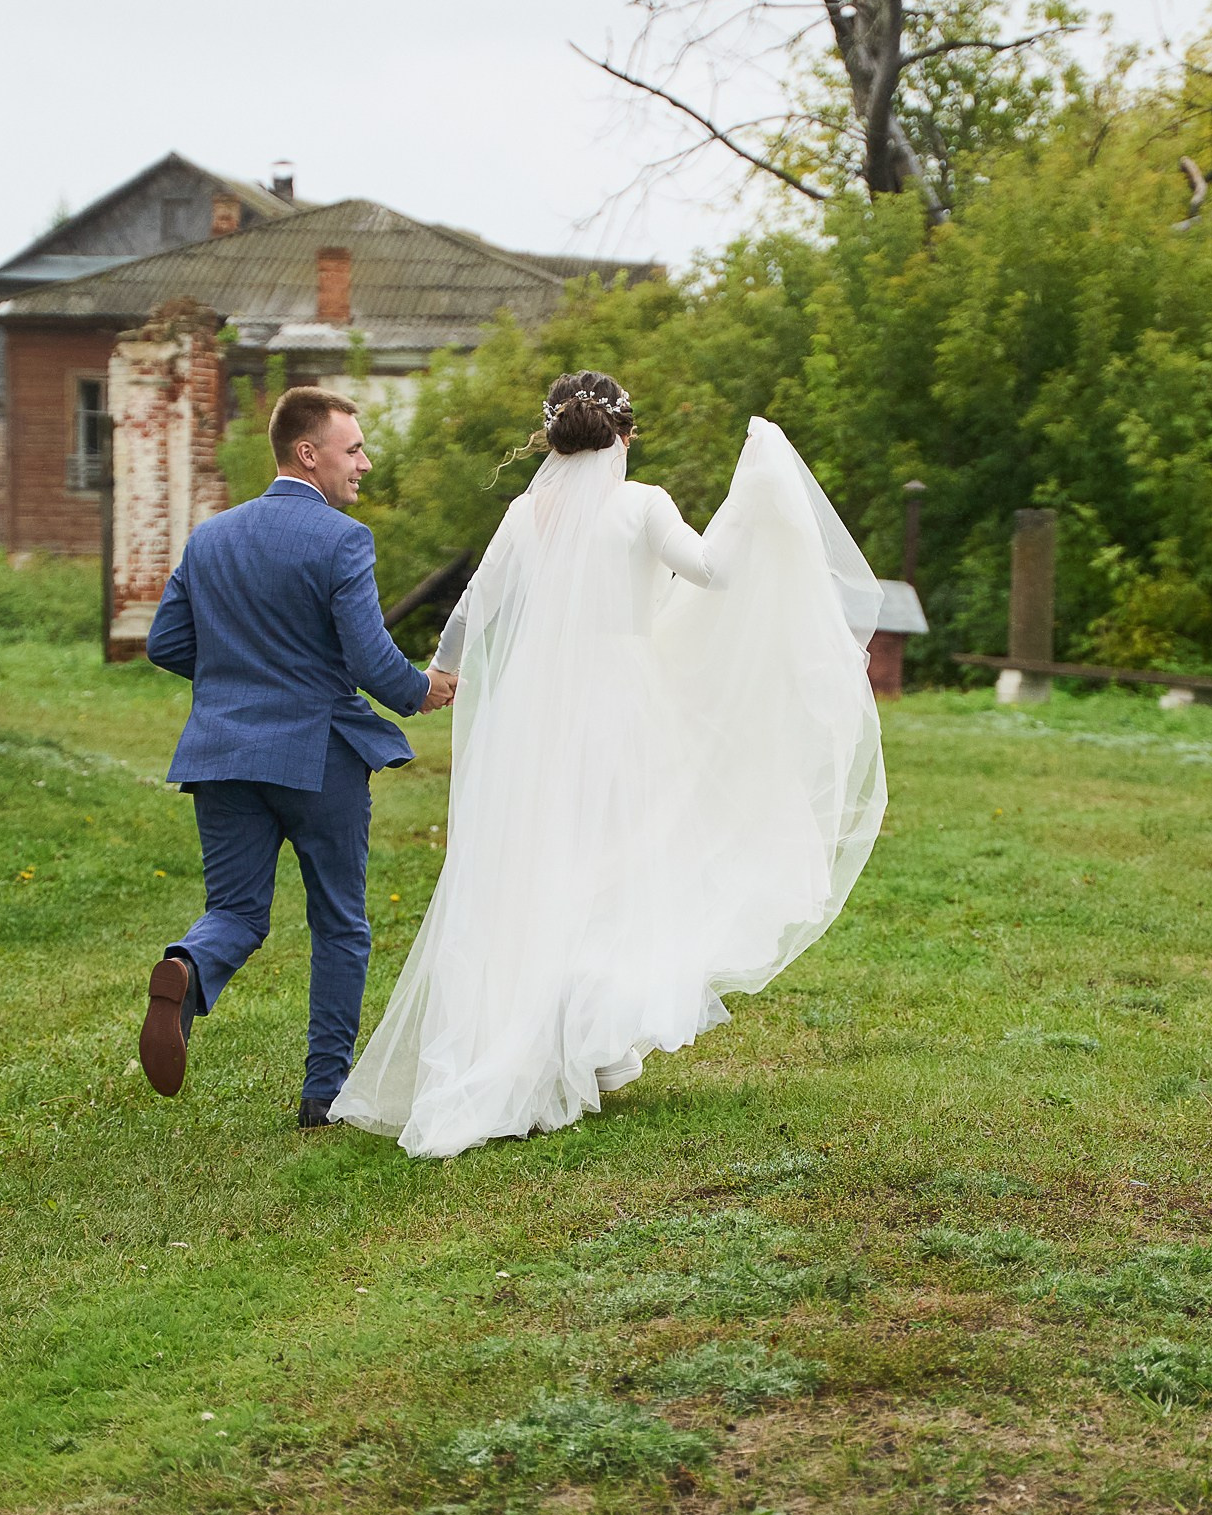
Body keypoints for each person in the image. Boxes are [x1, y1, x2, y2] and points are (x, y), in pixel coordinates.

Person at [330, 371, 887, 1158]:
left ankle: (547, 1038)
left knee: (536, 865)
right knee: (621, 862)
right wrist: (755, 500)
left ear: (553, 436)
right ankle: (582, 1026)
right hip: (620, 701)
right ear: (625, 434)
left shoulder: (527, 512)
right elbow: (713, 573)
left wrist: (443, 675)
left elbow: (472, 606)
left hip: (535, 705)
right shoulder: (643, 505)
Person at [137, 386, 455, 1120]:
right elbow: (371, 659)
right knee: (340, 920)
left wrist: (235, 680)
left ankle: (185, 965)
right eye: (354, 449)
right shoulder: (343, 539)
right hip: (318, 756)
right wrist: (421, 689)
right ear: (309, 454)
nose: (365, 464)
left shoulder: (210, 537)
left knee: (238, 913)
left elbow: (165, 643)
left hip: (221, 754)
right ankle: (323, 1091)